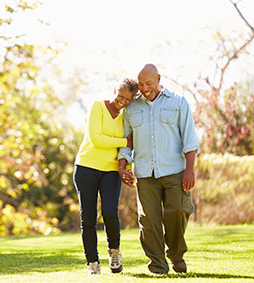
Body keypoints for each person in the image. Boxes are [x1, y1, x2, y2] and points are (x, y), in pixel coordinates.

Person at [118, 64, 199, 275]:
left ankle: (176, 253)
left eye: (149, 83)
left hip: (175, 170)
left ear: (158, 79)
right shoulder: (131, 108)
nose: (145, 88)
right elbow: (127, 140)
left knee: (179, 211)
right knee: (149, 221)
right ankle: (157, 265)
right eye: (141, 84)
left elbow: (189, 138)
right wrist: (123, 165)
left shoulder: (178, 102)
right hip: (145, 173)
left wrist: (189, 169)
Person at [73, 78, 138, 275]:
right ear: (114, 91)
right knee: (89, 217)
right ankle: (92, 263)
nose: (123, 101)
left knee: (110, 212)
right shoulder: (97, 107)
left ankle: (114, 251)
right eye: (121, 96)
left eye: (128, 99)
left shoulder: (126, 117)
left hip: (110, 170)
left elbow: (129, 146)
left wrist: (126, 155)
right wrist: (124, 141)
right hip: (86, 167)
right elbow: (96, 138)